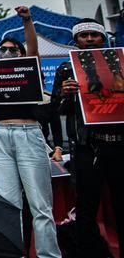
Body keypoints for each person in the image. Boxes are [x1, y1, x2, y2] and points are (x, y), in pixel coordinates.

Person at [0, 6, 61, 258]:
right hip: (0, 136)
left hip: (28, 133)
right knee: (8, 204)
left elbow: (33, 51)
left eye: (14, 49)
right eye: (3, 49)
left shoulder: (29, 71)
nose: (7, 52)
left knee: (40, 206)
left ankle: (48, 256)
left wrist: (27, 21)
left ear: (22, 54)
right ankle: (14, 254)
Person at [52, 19, 122, 257]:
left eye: (95, 35)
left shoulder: (120, 64)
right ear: (76, 41)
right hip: (87, 147)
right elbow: (56, 109)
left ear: (103, 38)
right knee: (86, 207)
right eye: (84, 36)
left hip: (119, 144)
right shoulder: (66, 69)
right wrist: (65, 94)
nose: (90, 39)